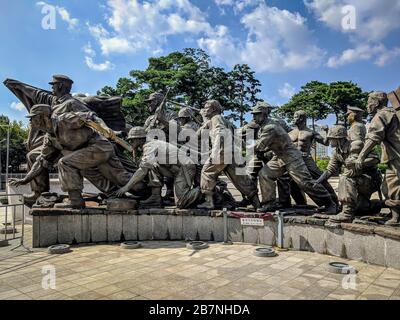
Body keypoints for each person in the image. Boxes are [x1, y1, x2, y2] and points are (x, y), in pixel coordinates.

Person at [10, 105, 147, 208]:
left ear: (42, 117)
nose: (30, 122)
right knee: (120, 177)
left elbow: (91, 116)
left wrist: (104, 127)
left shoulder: (64, 120)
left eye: (32, 118)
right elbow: (41, 161)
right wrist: (25, 179)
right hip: (88, 154)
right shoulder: (50, 138)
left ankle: (75, 200)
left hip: (99, 147)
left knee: (66, 163)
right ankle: (143, 193)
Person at [256, 123, 337, 214]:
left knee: (305, 182)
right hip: (280, 157)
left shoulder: (271, 127)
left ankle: (330, 203)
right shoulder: (291, 132)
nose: (295, 119)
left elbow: (260, 145)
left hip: (294, 157)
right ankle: (271, 203)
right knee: (266, 174)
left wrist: (242, 145)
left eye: (297, 117)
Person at [114, 127, 202, 209]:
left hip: (185, 168)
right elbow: (145, 165)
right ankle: (155, 197)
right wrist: (135, 152)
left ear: (140, 139)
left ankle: (205, 192)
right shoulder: (149, 145)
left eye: (132, 140)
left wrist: (126, 187)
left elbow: (142, 171)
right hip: (176, 169)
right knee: (152, 165)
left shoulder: (150, 146)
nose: (130, 143)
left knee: (181, 203)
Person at [197, 100, 261, 210]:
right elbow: (199, 133)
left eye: (206, 107)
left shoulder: (216, 118)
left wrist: (216, 150)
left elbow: (220, 132)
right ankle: (257, 204)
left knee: (207, 172)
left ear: (213, 109)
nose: (204, 109)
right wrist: (203, 117)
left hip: (221, 151)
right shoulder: (222, 120)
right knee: (240, 178)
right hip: (232, 152)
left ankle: (209, 202)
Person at [314, 125, 380, 222]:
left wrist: (359, 162)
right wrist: (317, 182)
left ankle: (347, 213)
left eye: (330, 139)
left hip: (370, 179)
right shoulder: (336, 152)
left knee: (345, 178)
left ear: (338, 138)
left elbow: (376, 159)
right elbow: (330, 170)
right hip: (358, 180)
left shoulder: (357, 144)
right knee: (360, 210)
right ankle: (377, 204)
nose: (329, 141)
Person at [355, 92, 400, 225]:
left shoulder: (381, 115)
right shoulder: (392, 113)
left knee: (393, 185)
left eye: (369, 101)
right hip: (396, 156)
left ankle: (396, 218)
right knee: (389, 184)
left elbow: (373, 137)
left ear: (377, 103)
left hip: (397, 156)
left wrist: (361, 157)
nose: (367, 105)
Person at [289, 110, 338, 207]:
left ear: (302, 118)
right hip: (294, 160)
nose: (293, 119)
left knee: (320, 178)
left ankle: (335, 202)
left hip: (306, 158)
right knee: (291, 181)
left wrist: (327, 131)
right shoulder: (290, 133)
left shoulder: (310, 132)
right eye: (294, 117)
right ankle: (301, 203)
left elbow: (325, 143)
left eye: (296, 117)